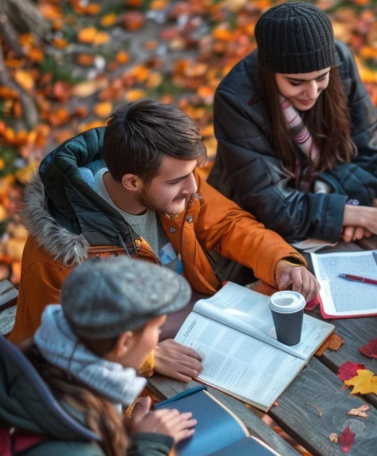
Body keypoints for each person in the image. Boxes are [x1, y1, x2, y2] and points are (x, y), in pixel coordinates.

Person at [9, 100, 319, 381]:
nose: (193, 186)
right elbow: (57, 345)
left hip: (197, 325)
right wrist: (146, 358)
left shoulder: (174, 188)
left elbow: (227, 224)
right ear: (132, 181)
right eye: (176, 181)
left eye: (193, 172)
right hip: (115, 375)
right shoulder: (56, 254)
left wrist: (279, 259)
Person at [2, 257, 197, 456]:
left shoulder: (45, 363)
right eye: (157, 330)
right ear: (123, 342)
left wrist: (122, 429)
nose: (157, 340)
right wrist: (149, 450)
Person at [209, 2, 377, 245]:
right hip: (247, 222)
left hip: (316, 210)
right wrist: (353, 214)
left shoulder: (340, 59)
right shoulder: (236, 98)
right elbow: (269, 204)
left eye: (321, 77)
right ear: (270, 73)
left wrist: (339, 206)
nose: (312, 92)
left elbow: (375, 154)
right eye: (296, 83)